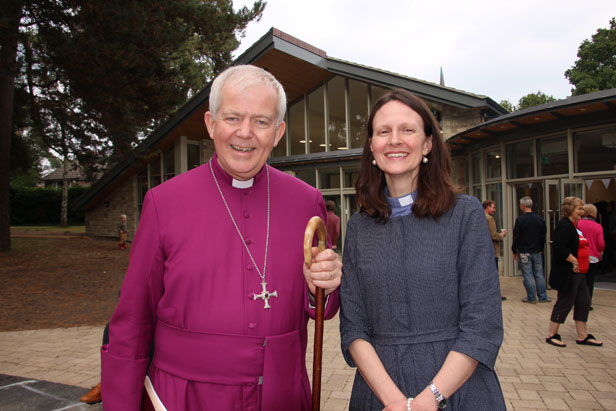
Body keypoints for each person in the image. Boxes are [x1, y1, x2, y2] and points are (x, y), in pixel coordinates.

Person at [101, 65, 342, 410]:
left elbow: (323, 305)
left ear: (278, 132)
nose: (245, 133)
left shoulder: (306, 201)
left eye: (261, 122)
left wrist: (324, 284)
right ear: (211, 124)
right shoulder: (163, 202)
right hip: (185, 396)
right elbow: (133, 321)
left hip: (280, 394)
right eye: (232, 118)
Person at [339, 89, 506, 410]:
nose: (394, 140)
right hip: (381, 391)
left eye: (408, 130)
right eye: (383, 131)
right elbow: (354, 327)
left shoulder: (465, 215)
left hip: (457, 389)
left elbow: (481, 325)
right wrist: (396, 402)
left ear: (428, 143)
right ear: (372, 146)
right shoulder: (359, 227)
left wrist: (429, 399)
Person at [546, 197, 602, 348]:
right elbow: (559, 246)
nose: (582, 212)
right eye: (579, 209)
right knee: (565, 302)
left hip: (581, 272)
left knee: (583, 301)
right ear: (570, 209)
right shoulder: (565, 225)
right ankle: (552, 334)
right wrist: (574, 260)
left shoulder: (574, 225)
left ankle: (582, 335)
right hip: (569, 273)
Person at [511, 196, 550, 303]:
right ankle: (543, 296)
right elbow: (543, 235)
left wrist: (514, 250)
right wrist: (541, 247)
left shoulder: (520, 220)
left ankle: (531, 297)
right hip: (536, 249)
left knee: (528, 274)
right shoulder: (540, 219)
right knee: (538, 273)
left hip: (524, 250)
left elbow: (516, 236)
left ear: (523, 206)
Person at [577, 203, 605, 310]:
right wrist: (600, 252)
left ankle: (578, 301)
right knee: (590, 280)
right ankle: (587, 303)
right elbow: (601, 243)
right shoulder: (597, 226)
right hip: (593, 256)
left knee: (579, 279)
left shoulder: (578, 223)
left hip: (580, 256)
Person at [483, 200, 507, 301]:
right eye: (493, 207)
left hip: (484, 251)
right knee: (493, 275)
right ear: (487, 207)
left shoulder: (480, 216)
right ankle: (494, 294)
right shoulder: (489, 219)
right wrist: (502, 235)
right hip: (492, 251)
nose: (495, 210)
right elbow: (493, 235)